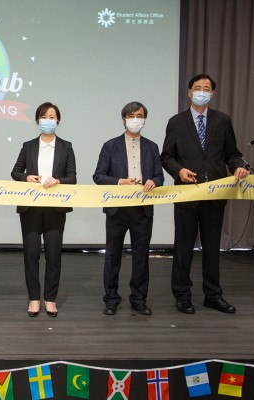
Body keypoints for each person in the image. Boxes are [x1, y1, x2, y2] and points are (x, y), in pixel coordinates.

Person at [161, 74, 250, 314]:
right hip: (187, 195)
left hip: (215, 195)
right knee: (183, 248)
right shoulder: (176, 122)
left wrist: (238, 166)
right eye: (197, 88)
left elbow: (232, 153)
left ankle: (213, 295)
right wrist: (179, 171)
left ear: (212, 94)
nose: (202, 91)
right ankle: (182, 295)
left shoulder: (222, 121)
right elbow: (166, 157)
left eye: (207, 88)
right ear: (189, 93)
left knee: (212, 248)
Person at [93, 101, 164, 316]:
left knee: (141, 256)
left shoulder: (152, 147)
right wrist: (118, 182)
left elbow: (160, 176)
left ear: (144, 119)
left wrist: (154, 181)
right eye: (131, 115)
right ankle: (111, 299)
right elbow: (98, 176)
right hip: (117, 209)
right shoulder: (110, 145)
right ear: (124, 119)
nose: (135, 119)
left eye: (139, 115)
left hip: (142, 209)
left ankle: (139, 299)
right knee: (113, 256)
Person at [11, 102, 76, 317]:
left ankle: (50, 299)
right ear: (37, 121)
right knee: (31, 254)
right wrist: (26, 177)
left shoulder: (66, 146)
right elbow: (16, 172)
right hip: (31, 206)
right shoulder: (28, 145)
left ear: (58, 121)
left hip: (55, 208)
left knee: (53, 254)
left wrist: (59, 180)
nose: (48, 120)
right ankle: (33, 298)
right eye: (44, 117)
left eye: (52, 117)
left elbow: (72, 177)